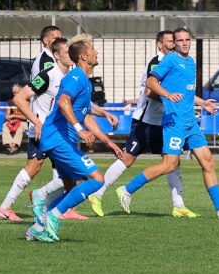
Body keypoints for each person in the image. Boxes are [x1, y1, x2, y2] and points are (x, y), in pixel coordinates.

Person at [115, 27, 219, 220]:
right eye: (180, 40)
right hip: (174, 122)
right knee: (169, 165)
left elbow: (187, 92)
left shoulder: (190, 62)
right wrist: (167, 94)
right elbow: (151, 83)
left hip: (190, 122)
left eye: (187, 40)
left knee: (208, 161)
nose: (184, 43)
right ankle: (126, 190)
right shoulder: (169, 60)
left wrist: (203, 103)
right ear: (174, 43)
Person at [82, 30, 198, 218]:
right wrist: (170, 98)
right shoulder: (157, 62)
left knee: (172, 163)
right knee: (127, 159)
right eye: (169, 41)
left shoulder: (178, 62)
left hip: (165, 122)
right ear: (160, 44)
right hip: (146, 121)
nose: (173, 44)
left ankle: (179, 206)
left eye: (174, 41)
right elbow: (149, 92)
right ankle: (97, 193)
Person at [22, 37, 124, 242]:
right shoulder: (76, 77)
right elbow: (63, 101)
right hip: (57, 139)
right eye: (93, 49)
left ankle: (37, 227)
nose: (96, 52)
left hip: (61, 139)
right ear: (84, 56)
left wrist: (109, 142)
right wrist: (79, 130)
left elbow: (86, 116)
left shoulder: (84, 81)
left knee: (71, 188)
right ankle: (51, 214)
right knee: (97, 180)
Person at [0, 35, 71, 222]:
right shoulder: (47, 74)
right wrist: (37, 123)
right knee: (36, 167)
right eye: (67, 51)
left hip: (55, 130)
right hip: (43, 130)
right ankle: (8, 207)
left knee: (66, 171)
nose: (71, 55)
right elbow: (19, 98)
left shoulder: (68, 77)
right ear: (57, 55)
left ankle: (50, 205)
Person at [1, 84, 27, 154]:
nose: (15, 94)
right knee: (4, 126)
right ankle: (11, 145)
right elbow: (7, 116)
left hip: (23, 122)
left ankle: (13, 146)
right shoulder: (10, 102)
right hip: (12, 121)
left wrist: (14, 115)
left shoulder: (26, 102)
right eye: (14, 92)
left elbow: (26, 117)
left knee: (20, 128)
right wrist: (10, 120)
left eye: (17, 92)